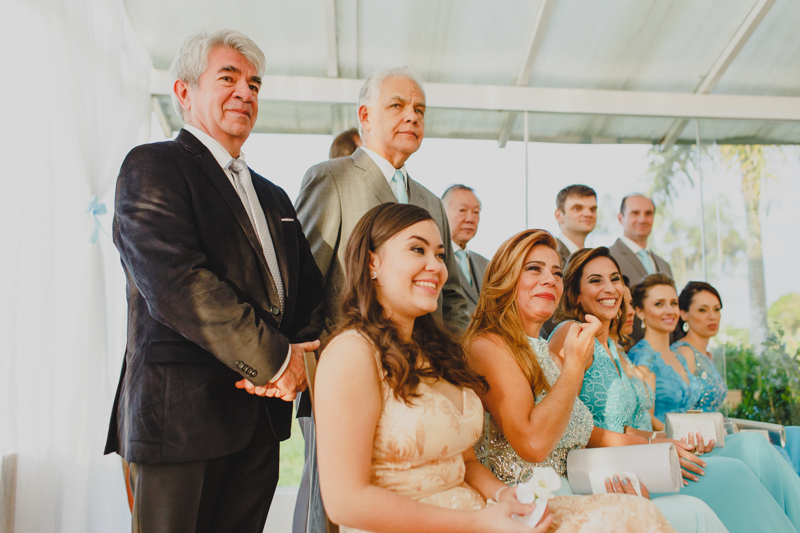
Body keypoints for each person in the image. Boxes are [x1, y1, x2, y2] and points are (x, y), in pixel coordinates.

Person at [105, 29, 324, 533]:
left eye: (254, 84)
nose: (246, 92)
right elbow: (179, 283)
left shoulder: (274, 197)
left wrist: (306, 363)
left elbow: (310, 292)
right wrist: (280, 362)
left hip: (260, 427)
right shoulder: (152, 166)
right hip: (180, 420)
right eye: (228, 78)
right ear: (184, 92)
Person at [294, 67, 469, 533]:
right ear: (365, 115)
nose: (411, 116)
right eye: (397, 105)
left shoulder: (432, 201)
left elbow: (446, 298)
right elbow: (304, 280)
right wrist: (322, 366)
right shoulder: (331, 179)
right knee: (324, 509)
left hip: (420, 381)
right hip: (345, 378)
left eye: (419, 110)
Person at [315, 203, 552, 533]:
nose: (436, 267)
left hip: (480, 514)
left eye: (440, 255)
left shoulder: (439, 351)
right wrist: (476, 524)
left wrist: (503, 494)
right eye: (417, 249)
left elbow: (464, 461)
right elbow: (345, 502)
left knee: (628, 516)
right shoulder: (351, 354)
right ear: (372, 262)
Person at [466, 230, 724, 533]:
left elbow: (589, 435)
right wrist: (575, 367)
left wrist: (657, 444)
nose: (549, 279)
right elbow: (533, 444)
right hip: (531, 502)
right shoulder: (489, 346)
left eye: (556, 272)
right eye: (534, 268)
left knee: (693, 505)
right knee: (693, 513)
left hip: (580, 483)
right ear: (504, 277)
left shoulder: (542, 353)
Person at [550, 248, 798, 533]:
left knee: (756, 448)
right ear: (575, 294)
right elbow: (568, 426)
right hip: (605, 464)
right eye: (596, 280)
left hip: (640, 452)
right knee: (735, 474)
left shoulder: (614, 349)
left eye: (615, 279)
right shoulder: (572, 333)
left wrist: (665, 438)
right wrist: (653, 445)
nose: (610, 288)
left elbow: (627, 426)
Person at [626, 274, 800, 531]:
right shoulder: (643, 356)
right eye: (659, 304)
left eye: (673, 303)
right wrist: (679, 436)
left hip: (702, 439)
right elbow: (646, 416)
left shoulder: (679, 356)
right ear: (639, 311)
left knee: (767, 444)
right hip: (677, 445)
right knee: (755, 446)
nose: (670, 310)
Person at [673, 281, 800, 473]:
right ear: (684, 314)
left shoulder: (707, 356)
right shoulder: (684, 353)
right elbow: (677, 410)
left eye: (717, 309)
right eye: (702, 310)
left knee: (794, 436)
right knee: (771, 449)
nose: (712, 316)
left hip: (723, 432)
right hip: (702, 441)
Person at [609, 194, 673, 343]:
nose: (642, 219)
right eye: (635, 213)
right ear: (620, 218)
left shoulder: (664, 265)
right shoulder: (609, 258)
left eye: (648, 214)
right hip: (626, 348)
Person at [442, 184, 489, 315]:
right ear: (442, 212)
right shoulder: (434, 260)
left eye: (476, 212)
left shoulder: (486, 265)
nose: (470, 219)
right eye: (462, 210)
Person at [553, 185, 597, 267]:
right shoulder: (551, 254)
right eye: (577, 208)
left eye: (593, 209)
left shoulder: (596, 258)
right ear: (559, 215)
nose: (589, 214)